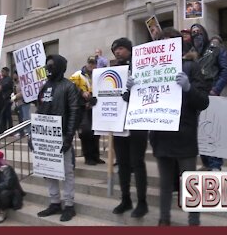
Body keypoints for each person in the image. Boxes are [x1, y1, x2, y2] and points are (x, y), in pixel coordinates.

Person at [149, 28, 210, 226]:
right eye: (161, 41)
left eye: (169, 41)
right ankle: (163, 220)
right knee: (165, 184)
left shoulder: (191, 67)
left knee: (190, 184)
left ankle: (194, 223)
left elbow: (203, 102)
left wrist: (189, 88)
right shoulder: (152, 69)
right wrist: (133, 89)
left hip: (184, 134)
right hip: (161, 135)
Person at [35, 54, 80, 222]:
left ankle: (69, 205)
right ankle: (54, 202)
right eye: (47, 66)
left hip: (61, 135)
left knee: (67, 171)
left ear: (60, 67)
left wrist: (68, 137)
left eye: (52, 66)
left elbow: (74, 112)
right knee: (48, 170)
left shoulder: (69, 87)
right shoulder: (44, 86)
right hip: (44, 136)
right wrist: (35, 136)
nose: (48, 69)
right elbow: (39, 110)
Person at [110, 37, 149, 218]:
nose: (117, 52)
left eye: (119, 49)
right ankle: (125, 198)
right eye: (115, 50)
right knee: (123, 164)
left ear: (128, 49)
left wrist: (133, 91)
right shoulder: (114, 70)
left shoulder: (140, 67)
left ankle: (142, 202)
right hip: (119, 123)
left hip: (137, 123)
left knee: (137, 163)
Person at [190, 25, 227, 171]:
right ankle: (206, 163)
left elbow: (226, 71)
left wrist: (216, 89)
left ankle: (215, 166)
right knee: (201, 131)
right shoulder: (192, 53)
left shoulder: (216, 49)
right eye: (193, 33)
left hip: (212, 93)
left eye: (198, 32)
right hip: (197, 95)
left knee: (212, 131)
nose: (196, 35)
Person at [69, 56, 104, 165]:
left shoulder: (98, 75)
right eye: (90, 63)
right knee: (86, 133)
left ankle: (96, 156)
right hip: (82, 108)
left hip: (94, 107)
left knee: (96, 133)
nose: (91, 65)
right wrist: (81, 93)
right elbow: (70, 87)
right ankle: (88, 157)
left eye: (93, 63)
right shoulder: (78, 75)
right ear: (87, 63)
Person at [0, 150, 25, 223]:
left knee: (4, 193)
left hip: (12, 193)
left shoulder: (7, 169)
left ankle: (2, 211)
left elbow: (8, 184)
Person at [12, 71, 31, 136]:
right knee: (21, 118)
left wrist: (15, 96)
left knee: (26, 118)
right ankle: (22, 132)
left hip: (24, 102)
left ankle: (29, 131)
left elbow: (23, 92)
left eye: (15, 75)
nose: (14, 76)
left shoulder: (22, 82)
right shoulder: (15, 83)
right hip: (18, 103)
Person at [0, 67, 14, 131]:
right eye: (2, 72)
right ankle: (3, 129)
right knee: (3, 115)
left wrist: (1, 87)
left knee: (8, 115)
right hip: (1, 100)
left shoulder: (9, 79)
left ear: (7, 72)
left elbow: (6, 86)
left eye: (3, 72)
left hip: (7, 99)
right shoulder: (1, 80)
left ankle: (10, 129)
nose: (2, 73)